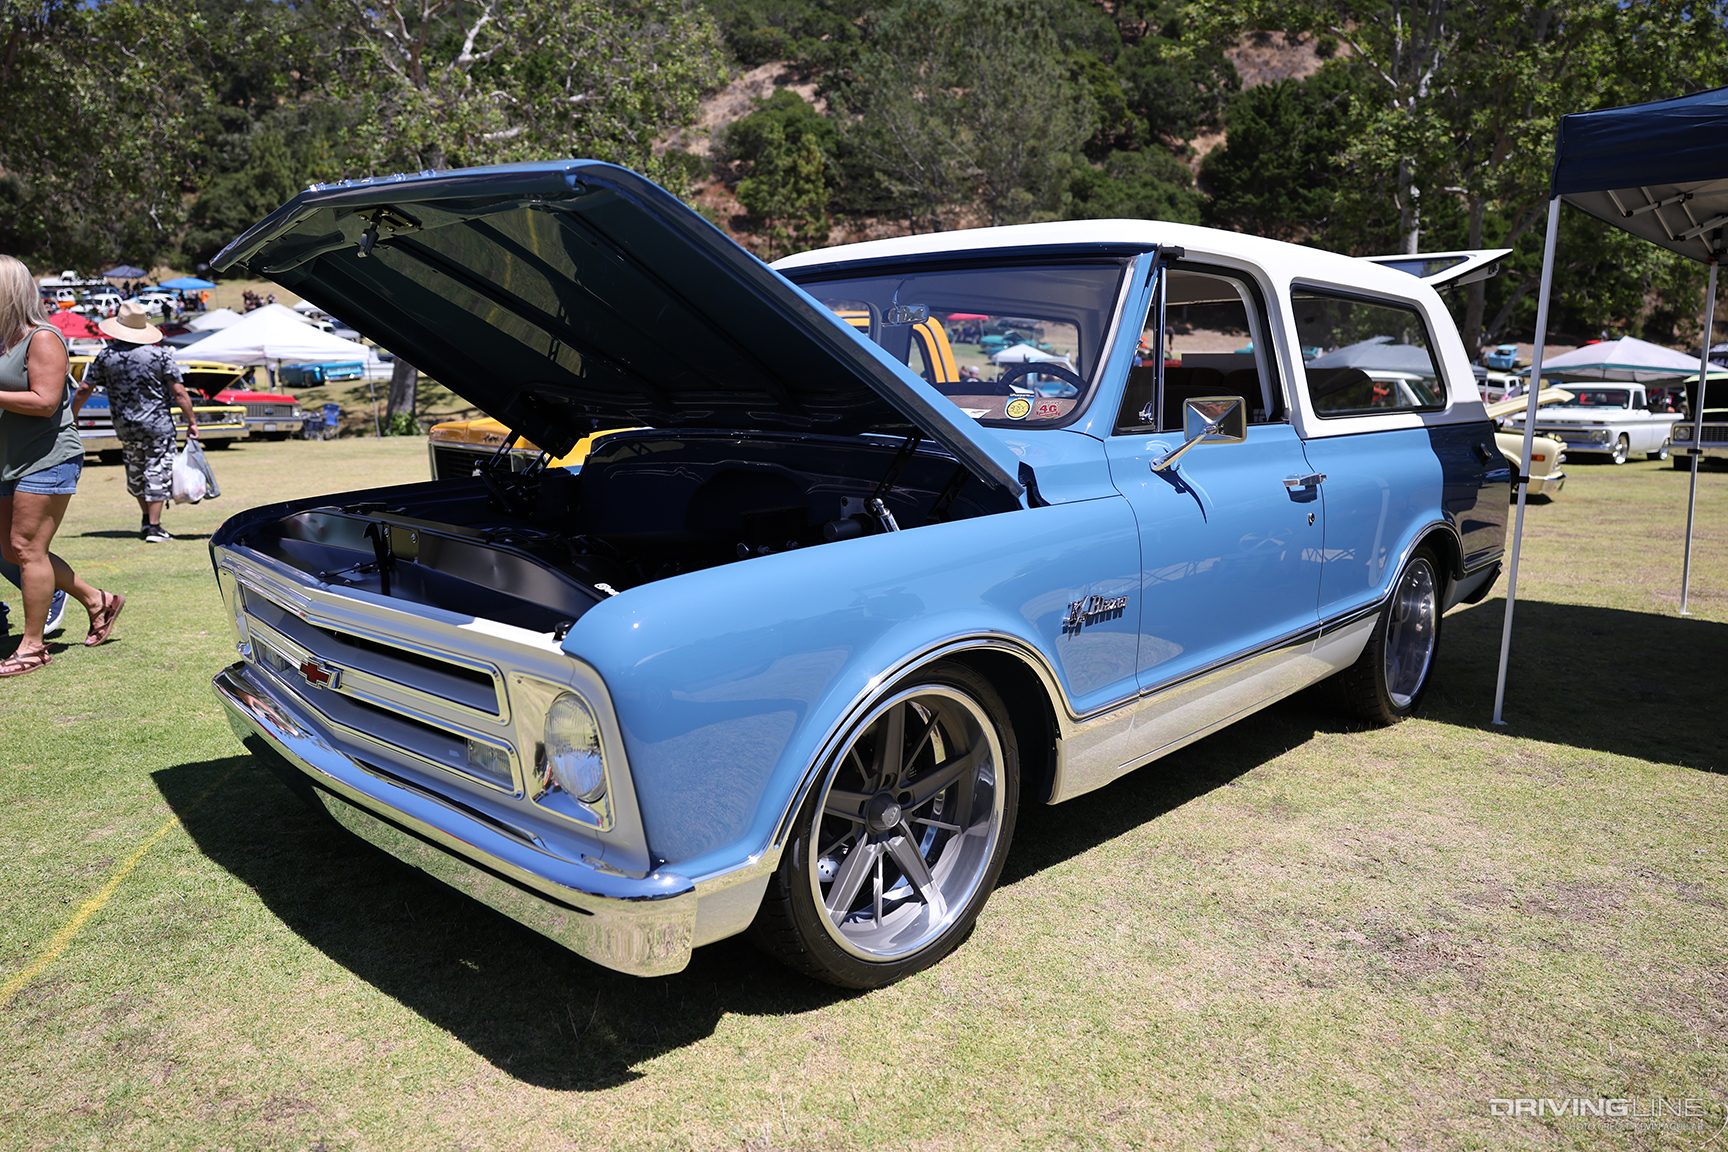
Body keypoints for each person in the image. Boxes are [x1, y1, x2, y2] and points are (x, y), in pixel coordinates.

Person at [0, 254, 123, 676]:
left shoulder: (42, 337)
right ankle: (97, 599)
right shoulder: (3, 342)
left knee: (26, 548)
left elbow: (46, 401)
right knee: (10, 549)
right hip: (9, 460)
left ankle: (32, 647)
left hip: (47, 456)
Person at [74, 300, 197, 542]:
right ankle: (154, 527)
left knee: (136, 471)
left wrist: (73, 414)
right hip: (157, 425)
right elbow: (179, 392)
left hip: (125, 426)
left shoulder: (106, 355)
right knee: (157, 470)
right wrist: (191, 420)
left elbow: (84, 389)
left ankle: (145, 521)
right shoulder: (160, 355)